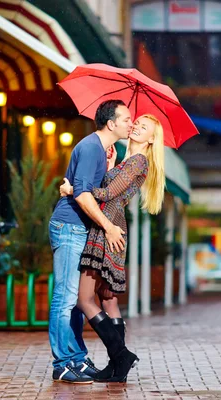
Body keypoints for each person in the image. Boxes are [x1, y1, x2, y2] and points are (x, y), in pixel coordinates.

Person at [60, 114, 165, 382]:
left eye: (144, 127)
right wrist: (110, 166)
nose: (137, 126)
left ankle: (121, 355)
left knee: (84, 299)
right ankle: (118, 369)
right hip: (113, 226)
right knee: (108, 297)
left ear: (152, 139)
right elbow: (111, 188)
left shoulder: (139, 161)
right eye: (137, 122)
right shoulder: (129, 161)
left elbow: (107, 195)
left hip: (108, 230)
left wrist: (74, 190)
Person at [48, 99, 132, 384]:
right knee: (66, 298)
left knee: (74, 301)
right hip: (69, 227)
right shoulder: (90, 147)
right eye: (126, 118)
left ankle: (77, 359)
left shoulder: (104, 150)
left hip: (80, 229)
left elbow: (87, 189)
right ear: (111, 123)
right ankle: (62, 363)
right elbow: (83, 196)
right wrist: (108, 226)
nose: (130, 123)